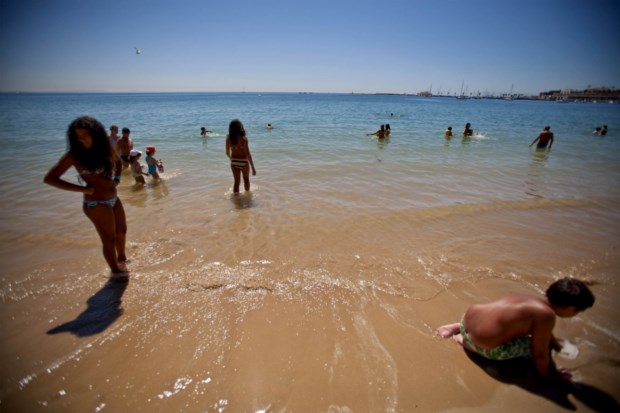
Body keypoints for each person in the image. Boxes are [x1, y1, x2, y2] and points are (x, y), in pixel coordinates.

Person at [436, 278, 595, 383]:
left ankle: (457, 328)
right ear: (569, 308)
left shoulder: (534, 300)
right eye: (578, 311)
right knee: (532, 348)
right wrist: (551, 376)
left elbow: (543, 332)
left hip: (468, 320)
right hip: (481, 343)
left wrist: (556, 345)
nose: (576, 314)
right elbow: (539, 354)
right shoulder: (547, 316)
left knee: (506, 325)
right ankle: (464, 341)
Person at [44, 116, 128, 279]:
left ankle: (122, 259)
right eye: (78, 137)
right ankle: (116, 273)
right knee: (109, 239)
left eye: (85, 135)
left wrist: (117, 179)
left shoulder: (105, 148)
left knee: (121, 232)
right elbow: (50, 178)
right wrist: (83, 189)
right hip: (96, 203)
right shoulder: (74, 155)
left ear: (95, 134)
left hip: (114, 198)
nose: (81, 139)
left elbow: (118, 162)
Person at [226, 119, 256, 193]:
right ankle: (248, 196)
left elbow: (227, 153)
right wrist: (252, 167)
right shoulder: (244, 139)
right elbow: (248, 154)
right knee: (246, 180)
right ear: (240, 127)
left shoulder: (228, 139)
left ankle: (236, 198)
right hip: (244, 162)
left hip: (234, 162)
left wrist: (231, 159)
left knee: (236, 182)